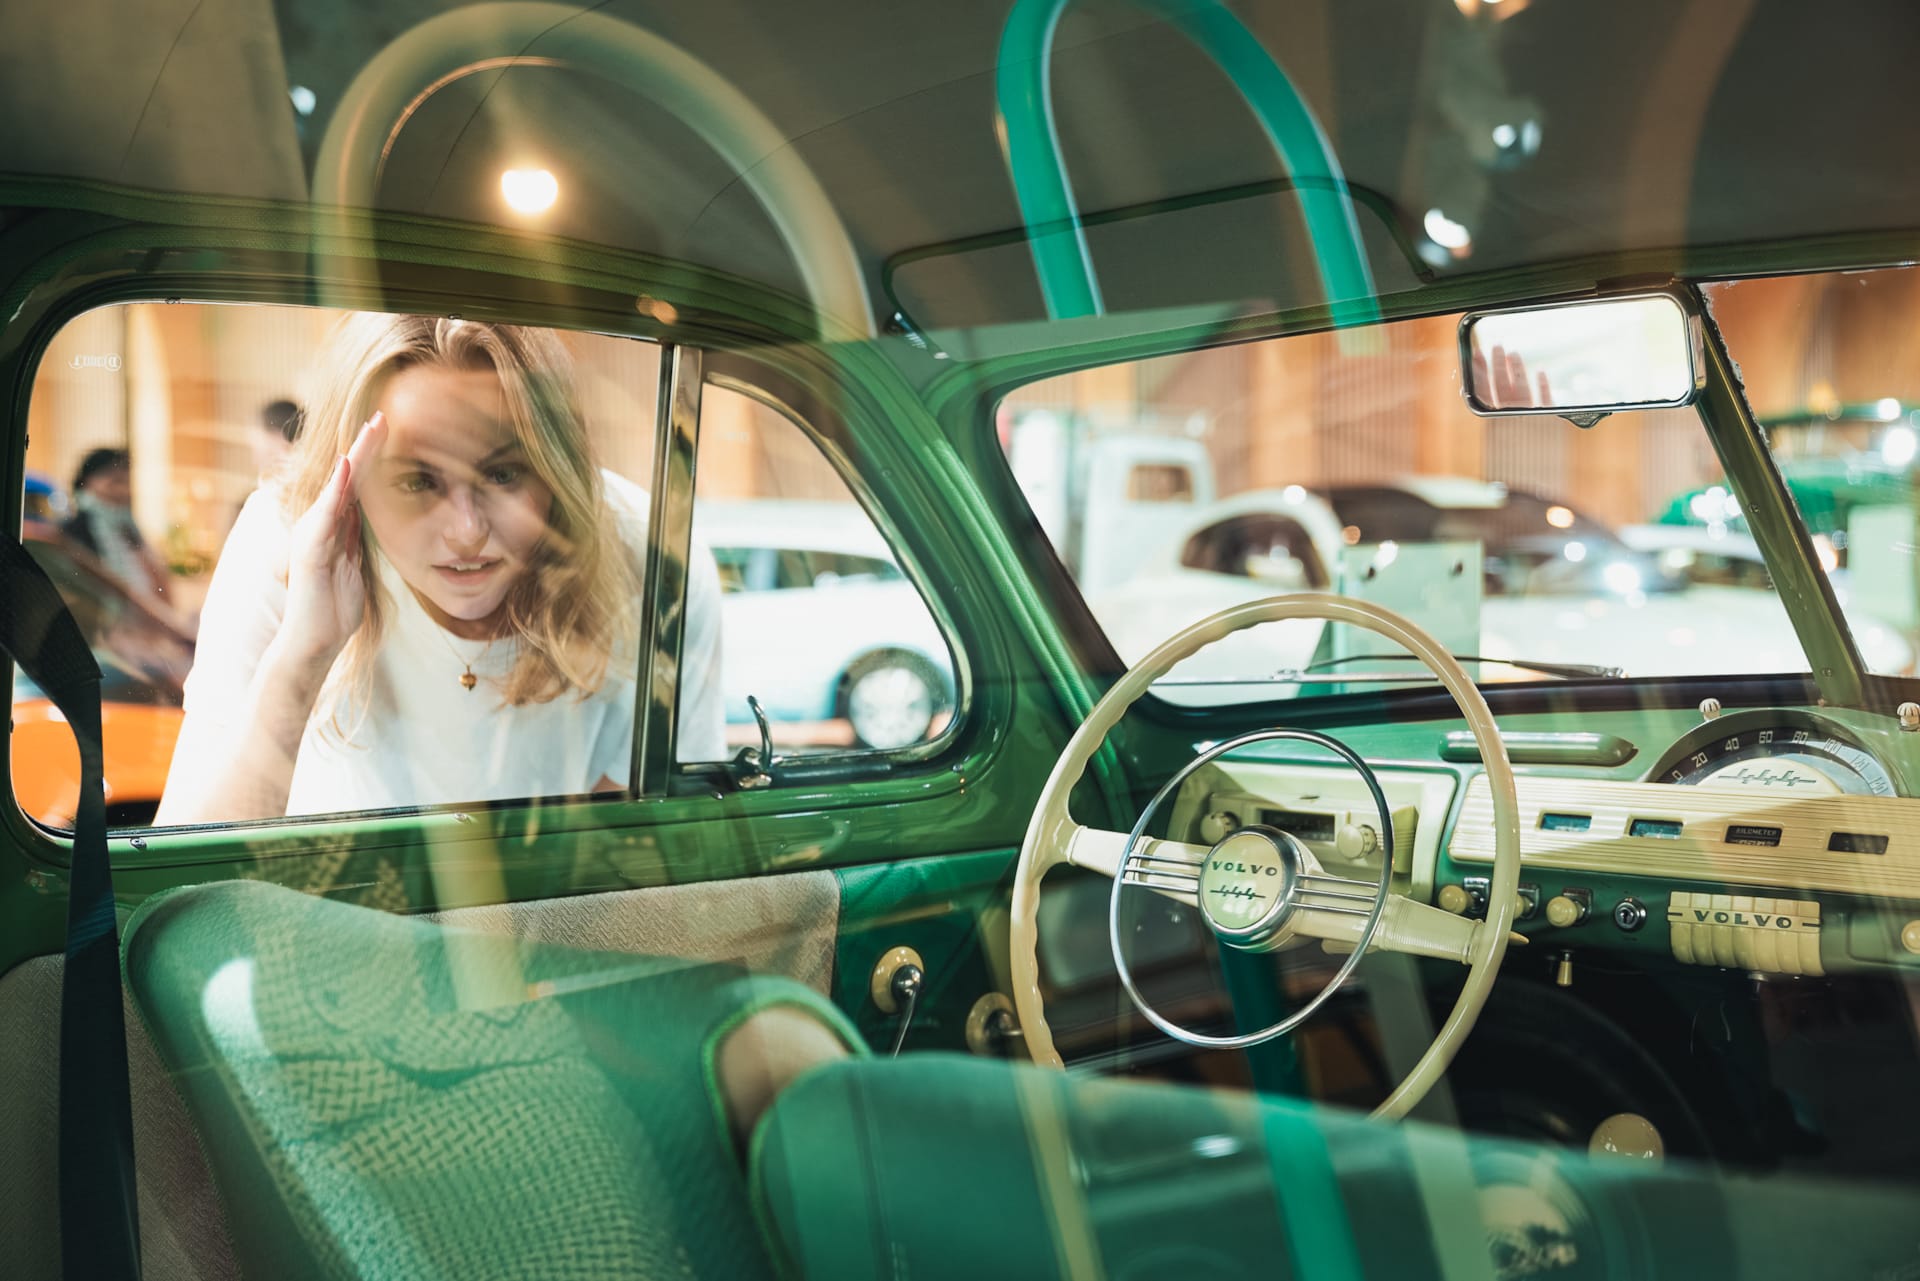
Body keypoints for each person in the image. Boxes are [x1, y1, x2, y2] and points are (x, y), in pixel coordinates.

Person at [156, 313, 724, 823]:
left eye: (503, 474)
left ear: (558, 466)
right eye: (417, 481)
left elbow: (660, 843)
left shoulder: (650, 558)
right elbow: (188, 864)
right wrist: (304, 654)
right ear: (352, 480)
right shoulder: (290, 540)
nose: (466, 531)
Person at [60, 447, 171, 603]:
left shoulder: (128, 527)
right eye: (115, 482)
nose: (122, 491)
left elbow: (158, 579)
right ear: (88, 482)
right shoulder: (74, 530)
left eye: (126, 483)